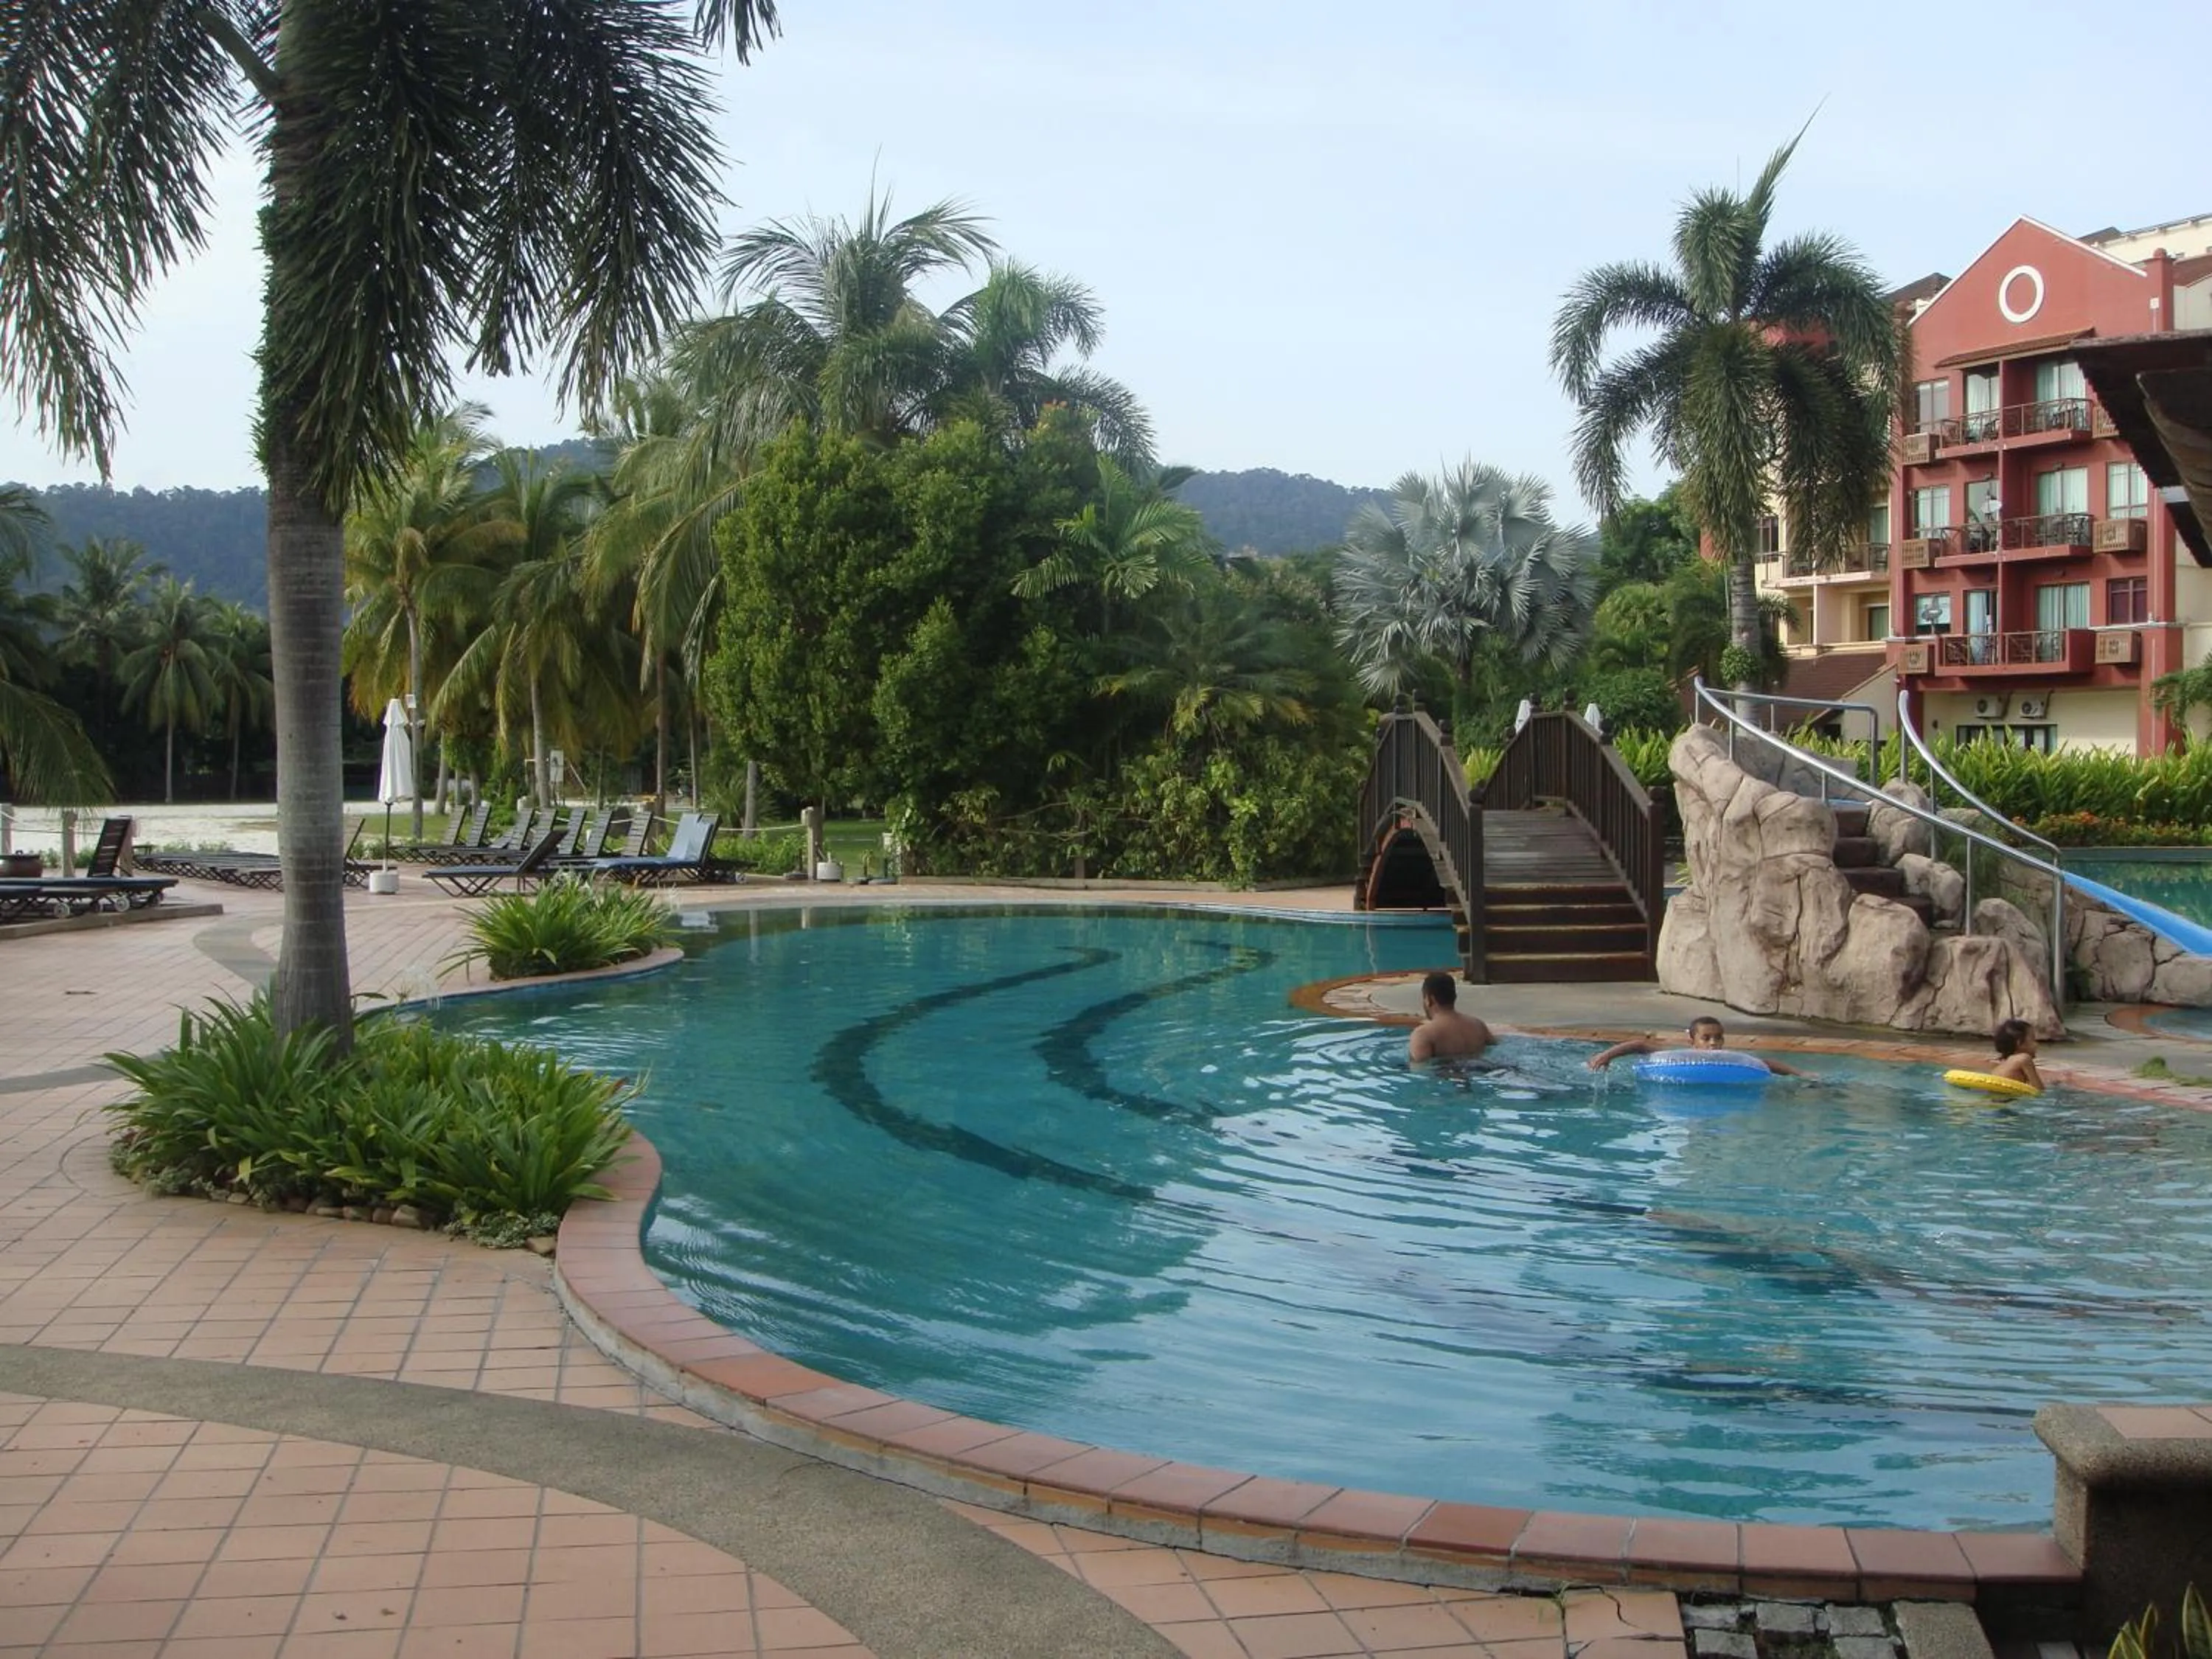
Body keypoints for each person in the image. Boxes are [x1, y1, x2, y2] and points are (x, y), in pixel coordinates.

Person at [1585, 1015, 1806, 1076]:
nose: (1714, 1043)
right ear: (1692, 1041)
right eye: (1707, 1038)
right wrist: (1607, 1056)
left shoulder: (1731, 1060)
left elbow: (1765, 1063)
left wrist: (1800, 1073)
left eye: (1718, 1038)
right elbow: (1639, 1045)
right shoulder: (1677, 1057)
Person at [1408, 971, 1493, 1063]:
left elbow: (1420, 1069)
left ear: (1429, 1000)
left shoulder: (1423, 1034)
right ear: (1454, 997)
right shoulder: (1478, 1025)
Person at [1988, 1018, 2045, 1092]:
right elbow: (2039, 1090)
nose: (2037, 1044)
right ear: (2019, 1043)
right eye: (2033, 1039)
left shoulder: (2001, 1066)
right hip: (2007, 1101)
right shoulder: (2024, 1059)